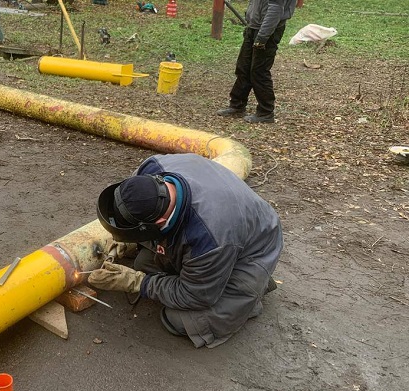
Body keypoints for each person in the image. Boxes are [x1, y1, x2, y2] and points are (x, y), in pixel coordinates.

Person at [89, 154, 283, 348]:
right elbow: (132, 204)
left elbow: (194, 295)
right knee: (143, 263)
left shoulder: (209, 238)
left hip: (252, 251)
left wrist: (138, 283)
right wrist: (125, 238)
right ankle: (208, 276)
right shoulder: (151, 167)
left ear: (159, 222)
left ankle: (248, 294)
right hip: (227, 228)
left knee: (178, 319)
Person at [217, 0, 297, 123]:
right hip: (254, 27)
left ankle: (266, 112)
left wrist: (262, 36)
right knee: (243, 67)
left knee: (259, 71)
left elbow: (275, 9)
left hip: (269, 29)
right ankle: (237, 105)